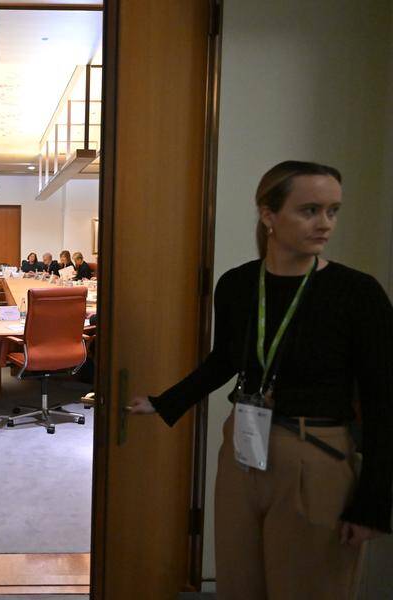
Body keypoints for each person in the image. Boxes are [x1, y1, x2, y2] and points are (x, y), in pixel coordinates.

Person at [129, 161, 392, 600]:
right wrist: (164, 402)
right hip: (244, 453)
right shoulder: (237, 284)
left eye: (332, 211)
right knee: (238, 585)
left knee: (308, 589)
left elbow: (384, 400)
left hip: (317, 455)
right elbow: (225, 360)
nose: (325, 223)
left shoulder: (358, 293)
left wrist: (374, 504)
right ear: (269, 215)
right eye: (310, 210)